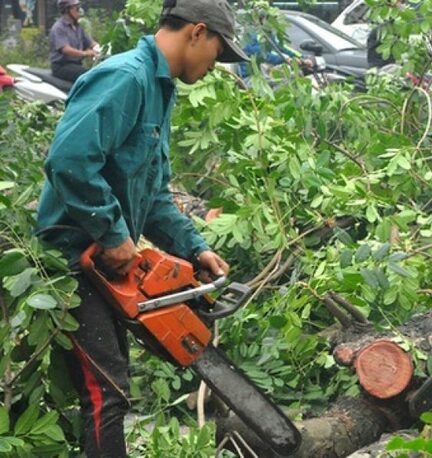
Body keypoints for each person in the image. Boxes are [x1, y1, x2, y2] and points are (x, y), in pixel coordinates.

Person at [36, 0, 247, 454]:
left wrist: (195, 249)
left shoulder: (159, 89)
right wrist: (113, 235)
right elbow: (70, 161)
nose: (216, 66)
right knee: (106, 395)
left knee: (110, 390)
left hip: (102, 270)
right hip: (72, 262)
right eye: (218, 52)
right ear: (196, 32)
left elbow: (150, 195)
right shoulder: (127, 78)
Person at [49, 0, 98, 83]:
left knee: (95, 72)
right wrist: (85, 53)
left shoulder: (78, 27)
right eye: (77, 8)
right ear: (67, 10)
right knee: (88, 76)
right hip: (62, 66)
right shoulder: (59, 28)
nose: (80, 11)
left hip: (75, 65)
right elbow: (66, 49)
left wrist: (101, 49)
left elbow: (90, 43)